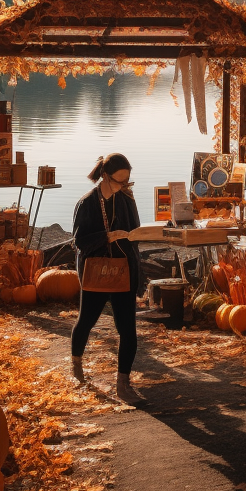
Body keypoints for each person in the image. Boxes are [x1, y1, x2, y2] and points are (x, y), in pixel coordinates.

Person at [71, 152, 145, 405]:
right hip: (97, 269)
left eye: (127, 182)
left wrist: (134, 236)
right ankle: (77, 365)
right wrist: (107, 236)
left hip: (124, 268)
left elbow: (135, 231)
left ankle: (123, 383)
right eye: (119, 182)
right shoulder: (88, 202)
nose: (124, 187)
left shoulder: (125, 198)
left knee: (128, 329)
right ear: (105, 176)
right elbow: (80, 241)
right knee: (86, 321)